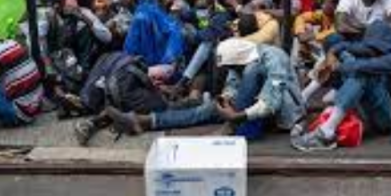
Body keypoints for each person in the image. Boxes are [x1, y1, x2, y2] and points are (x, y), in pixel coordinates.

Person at [102, 38, 306, 139]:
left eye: (232, 67)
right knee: (204, 110)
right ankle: (142, 121)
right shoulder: (242, 60)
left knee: (252, 72)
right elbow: (234, 84)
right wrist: (225, 98)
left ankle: (231, 127)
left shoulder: (272, 56)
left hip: (278, 114)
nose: (231, 71)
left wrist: (237, 116)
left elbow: (273, 100)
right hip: (249, 109)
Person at [291, 21, 391, 151]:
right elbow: (347, 46)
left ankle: (326, 134)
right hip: (372, 107)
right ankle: (305, 99)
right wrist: (331, 55)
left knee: (361, 72)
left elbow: (361, 66)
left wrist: (337, 66)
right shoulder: (379, 47)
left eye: (375, 47)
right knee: (342, 54)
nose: (371, 49)